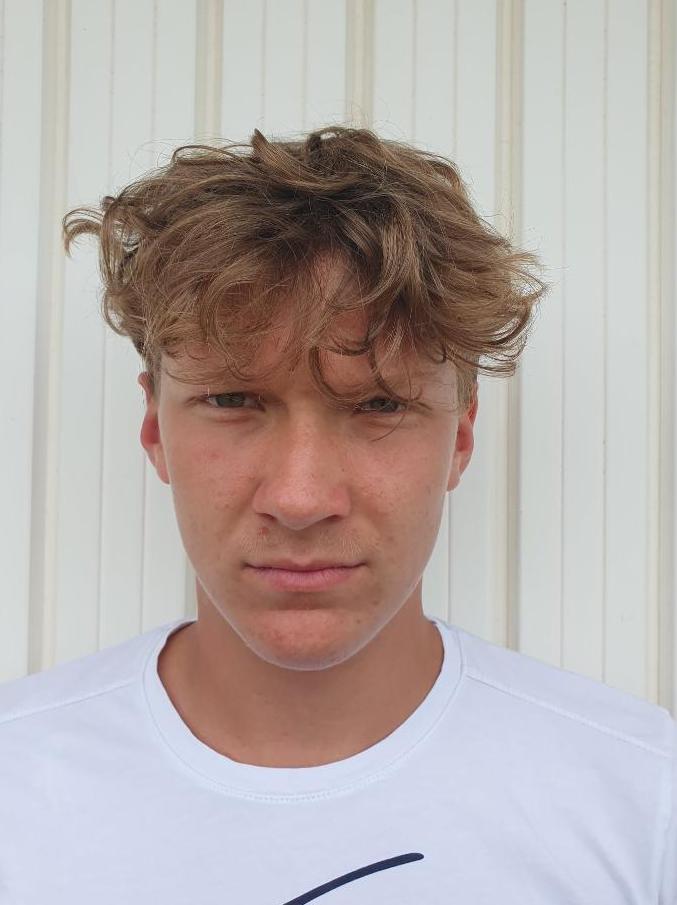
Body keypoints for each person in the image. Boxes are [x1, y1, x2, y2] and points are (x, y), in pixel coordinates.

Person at [0, 125, 674, 903]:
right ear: (155, 428)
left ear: (460, 437)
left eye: (378, 404)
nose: (300, 498)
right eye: (232, 399)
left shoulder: (643, 796)